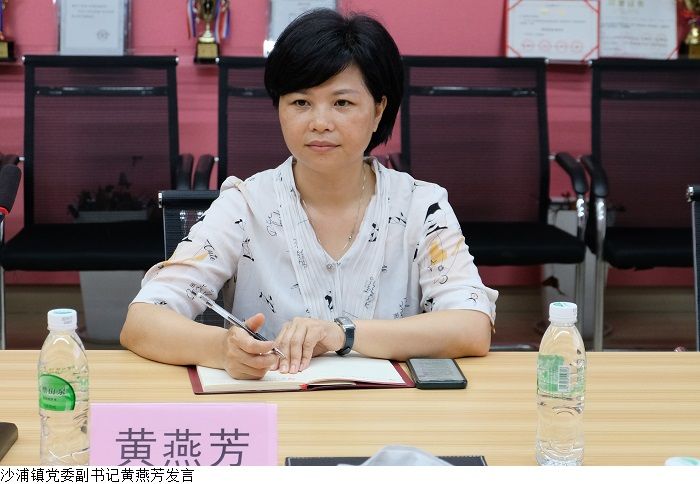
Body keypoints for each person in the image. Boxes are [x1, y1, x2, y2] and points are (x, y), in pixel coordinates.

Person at [121, 8, 498, 380]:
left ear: (378, 110)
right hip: (276, 409)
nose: (319, 123)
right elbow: (142, 321)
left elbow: (472, 326)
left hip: (392, 411)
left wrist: (342, 334)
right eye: (300, 102)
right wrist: (222, 349)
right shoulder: (245, 205)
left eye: (342, 103)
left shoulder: (421, 206)